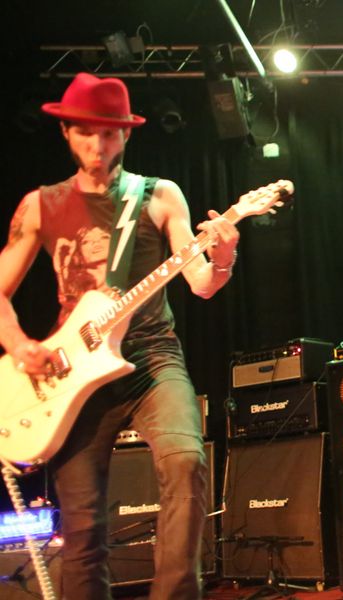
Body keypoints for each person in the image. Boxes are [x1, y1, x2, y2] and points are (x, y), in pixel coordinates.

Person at [0, 72, 240, 598]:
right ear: (66, 132)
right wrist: (20, 345)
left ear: (126, 134)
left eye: (108, 133)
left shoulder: (159, 195)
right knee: (83, 526)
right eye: (85, 132)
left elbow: (201, 283)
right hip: (74, 371)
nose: (97, 145)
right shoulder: (40, 205)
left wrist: (223, 254)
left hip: (153, 356)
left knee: (186, 462)